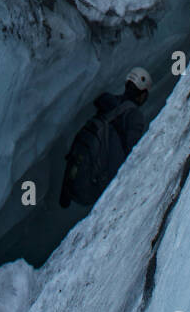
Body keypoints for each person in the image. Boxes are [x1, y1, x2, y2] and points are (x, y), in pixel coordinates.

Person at [59, 67, 152, 208]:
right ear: (143, 94)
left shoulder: (108, 105)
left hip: (78, 183)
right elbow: (133, 156)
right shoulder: (134, 116)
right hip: (97, 185)